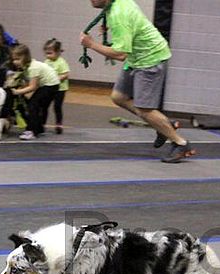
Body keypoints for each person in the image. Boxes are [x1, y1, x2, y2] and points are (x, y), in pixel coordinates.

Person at [80, 0, 196, 163]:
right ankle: (163, 123)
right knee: (119, 97)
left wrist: (91, 44)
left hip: (149, 60)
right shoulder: (116, 4)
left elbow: (120, 54)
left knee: (145, 109)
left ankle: (181, 144)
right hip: (136, 58)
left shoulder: (119, 14)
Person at [10, 44, 60, 140]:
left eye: (17, 59)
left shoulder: (33, 67)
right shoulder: (27, 67)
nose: (15, 62)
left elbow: (33, 87)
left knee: (32, 105)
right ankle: (38, 128)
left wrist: (17, 92)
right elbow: (29, 83)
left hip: (51, 85)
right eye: (14, 59)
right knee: (36, 105)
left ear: (25, 57)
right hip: (49, 84)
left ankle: (32, 131)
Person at [44, 38, 70, 134]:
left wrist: (57, 79)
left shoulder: (61, 62)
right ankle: (42, 123)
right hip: (49, 87)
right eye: (47, 53)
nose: (48, 56)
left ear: (58, 52)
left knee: (57, 106)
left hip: (60, 89)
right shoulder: (47, 62)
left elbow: (66, 74)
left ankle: (59, 124)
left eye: (50, 53)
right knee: (44, 105)